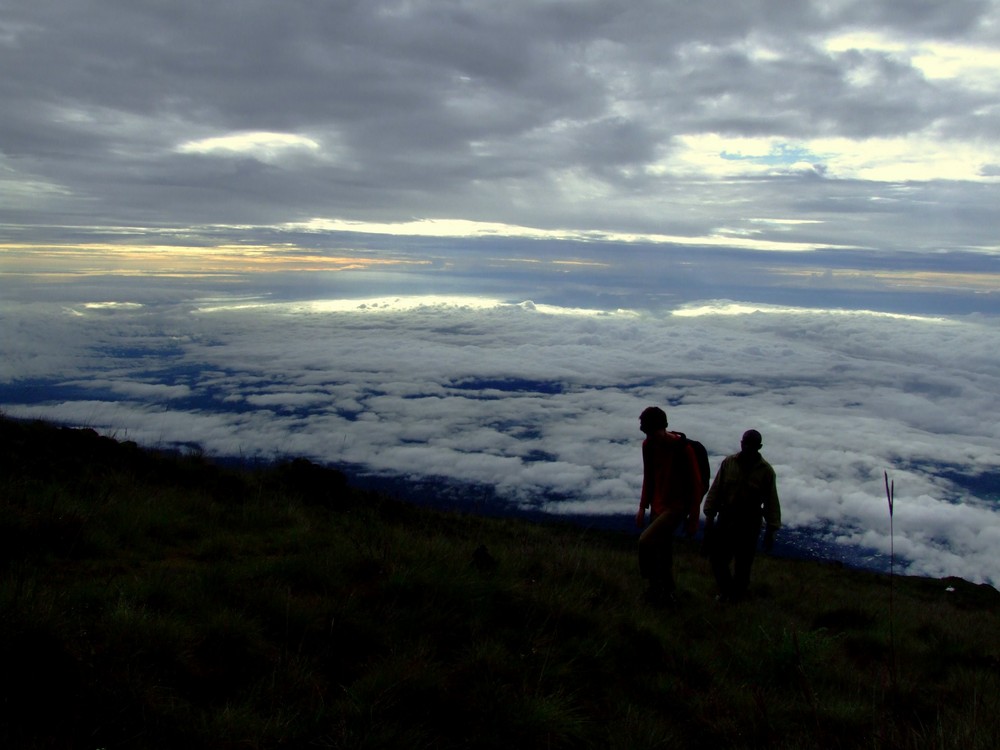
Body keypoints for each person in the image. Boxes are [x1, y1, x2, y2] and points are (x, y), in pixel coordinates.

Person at [635, 406, 707, 606]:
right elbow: (649, 477)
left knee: (645, 542)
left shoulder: (683, 448)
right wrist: (642, 507)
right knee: (662, 550)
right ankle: (667, 593)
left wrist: (693, 519)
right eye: (646, 432)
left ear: (662, 427)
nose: (649, 435)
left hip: (675, 508)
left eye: (650, 430)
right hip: (658, 506)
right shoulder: (648, 445)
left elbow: (696, 485)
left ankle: (653, 586)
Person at [702, 429, 781, 602]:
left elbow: (771, 501)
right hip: (726, 518)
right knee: (717, 559)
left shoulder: (766, 471)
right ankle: (728, 592)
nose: (747, 447)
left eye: (751, 444)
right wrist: (709, 516)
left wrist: (771, 529)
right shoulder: (728, 463)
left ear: (759, 447)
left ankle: (736, 597)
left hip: (749, 522)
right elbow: (716, 490)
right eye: (745, 443)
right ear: (741, 443)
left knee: (743, 564)